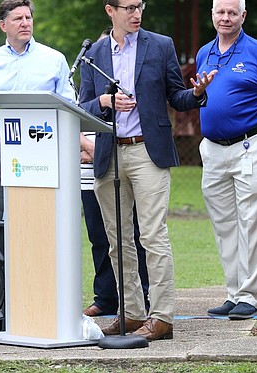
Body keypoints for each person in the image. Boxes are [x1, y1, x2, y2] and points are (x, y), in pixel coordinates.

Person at [79, 0, 216, 342]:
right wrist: (106, 103)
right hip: (108, 152)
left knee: (153, 235)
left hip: (147, 151)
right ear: (111, 11)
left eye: (140, 7)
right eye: (129, 8)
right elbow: (82, 108)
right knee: (117, 239)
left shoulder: (160, 46)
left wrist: (197, 93)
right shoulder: (94, 53)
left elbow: (177, 96)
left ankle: (162, 316)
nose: (137, 13)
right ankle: (132, 313)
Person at [196, 0, 257, 320]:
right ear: (212, 14)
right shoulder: (204, 52)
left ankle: (249, 296)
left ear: (243, 16)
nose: (225, 18)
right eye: (220, 12)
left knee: (251, 222)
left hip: (251, 145)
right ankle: (233, 293)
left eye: (232, 13)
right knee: (224, 225)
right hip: (214, 151)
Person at [0, 0, 75, 220]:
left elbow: (69, 106)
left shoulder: (54, 60)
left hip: (42, 144)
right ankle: (2, 257)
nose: (25, 23)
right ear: (3, 25)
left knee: (39, 214)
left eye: (28, 17)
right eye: (18, 19)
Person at [81, 29, 150, 317]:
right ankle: (106, 297)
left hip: (124, 157)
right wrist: (85, 145)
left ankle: (141, 298)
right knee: (101, 235)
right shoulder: (87, 75)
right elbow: (79, 111)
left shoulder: (131, 79)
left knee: (133, 234)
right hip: (90, 167)